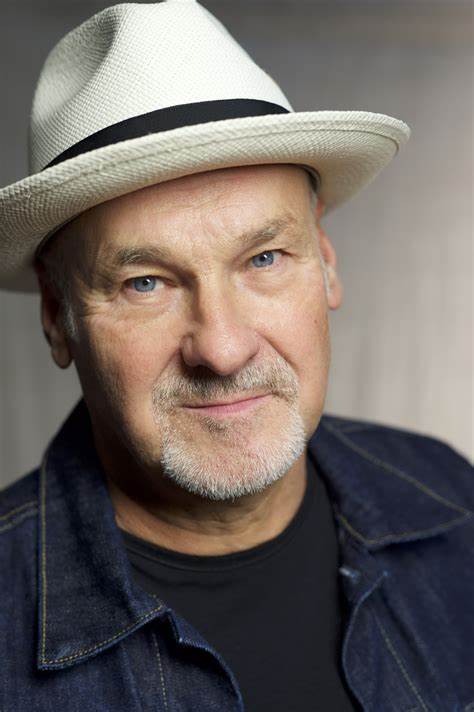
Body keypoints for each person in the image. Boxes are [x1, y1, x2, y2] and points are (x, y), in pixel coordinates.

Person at [0, 1, 472, 710]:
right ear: (55, 316)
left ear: (326, 261)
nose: (222, 349)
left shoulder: (452, 501)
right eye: (145, 283)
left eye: (264, 258)